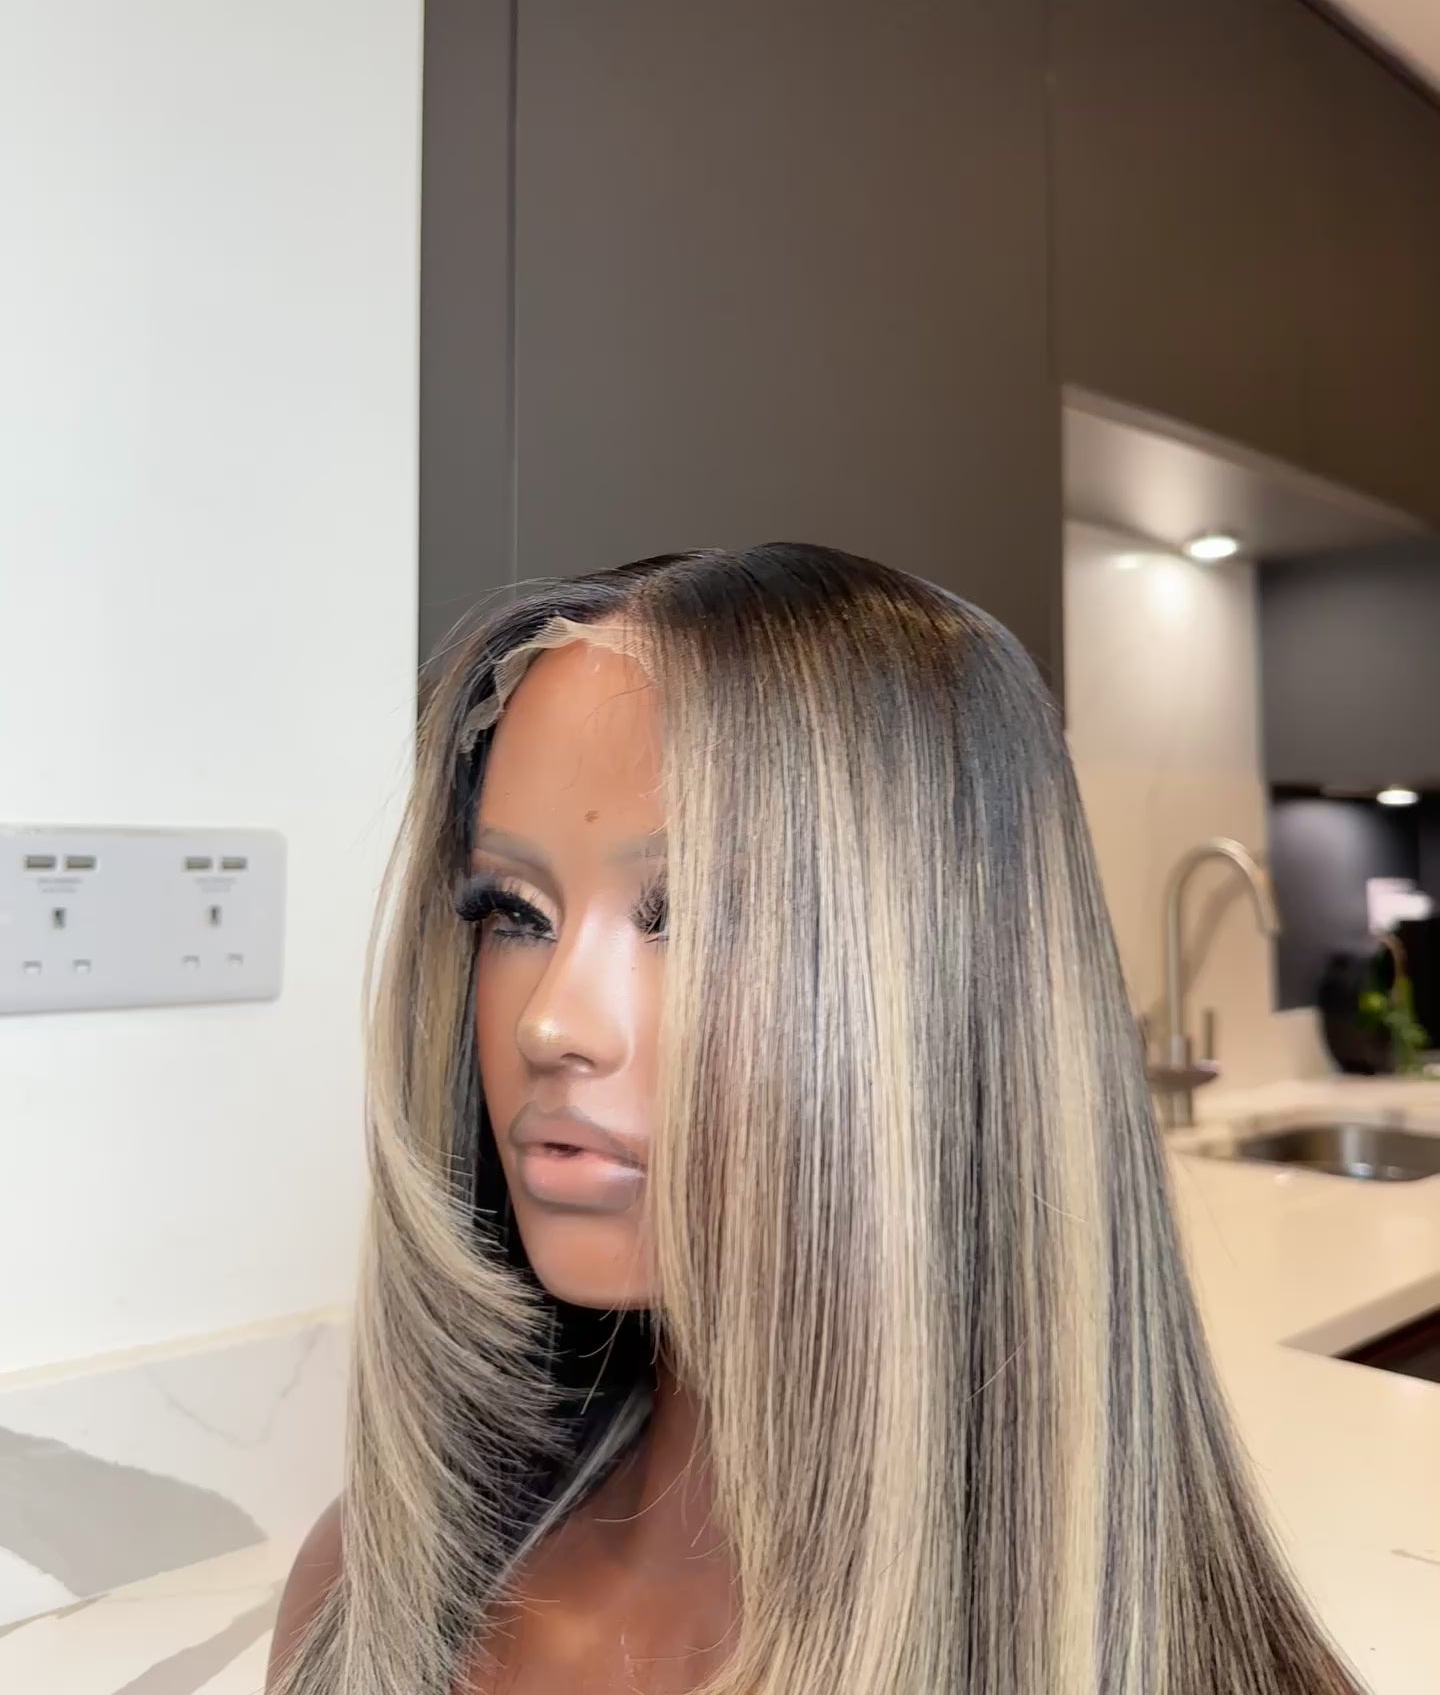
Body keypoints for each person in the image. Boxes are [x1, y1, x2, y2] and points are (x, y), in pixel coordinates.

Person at [268, 543, 1362, 1695]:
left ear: (940, 999)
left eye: (685, 912)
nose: (550, 1023)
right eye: (515, 912)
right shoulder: (372, 1603)